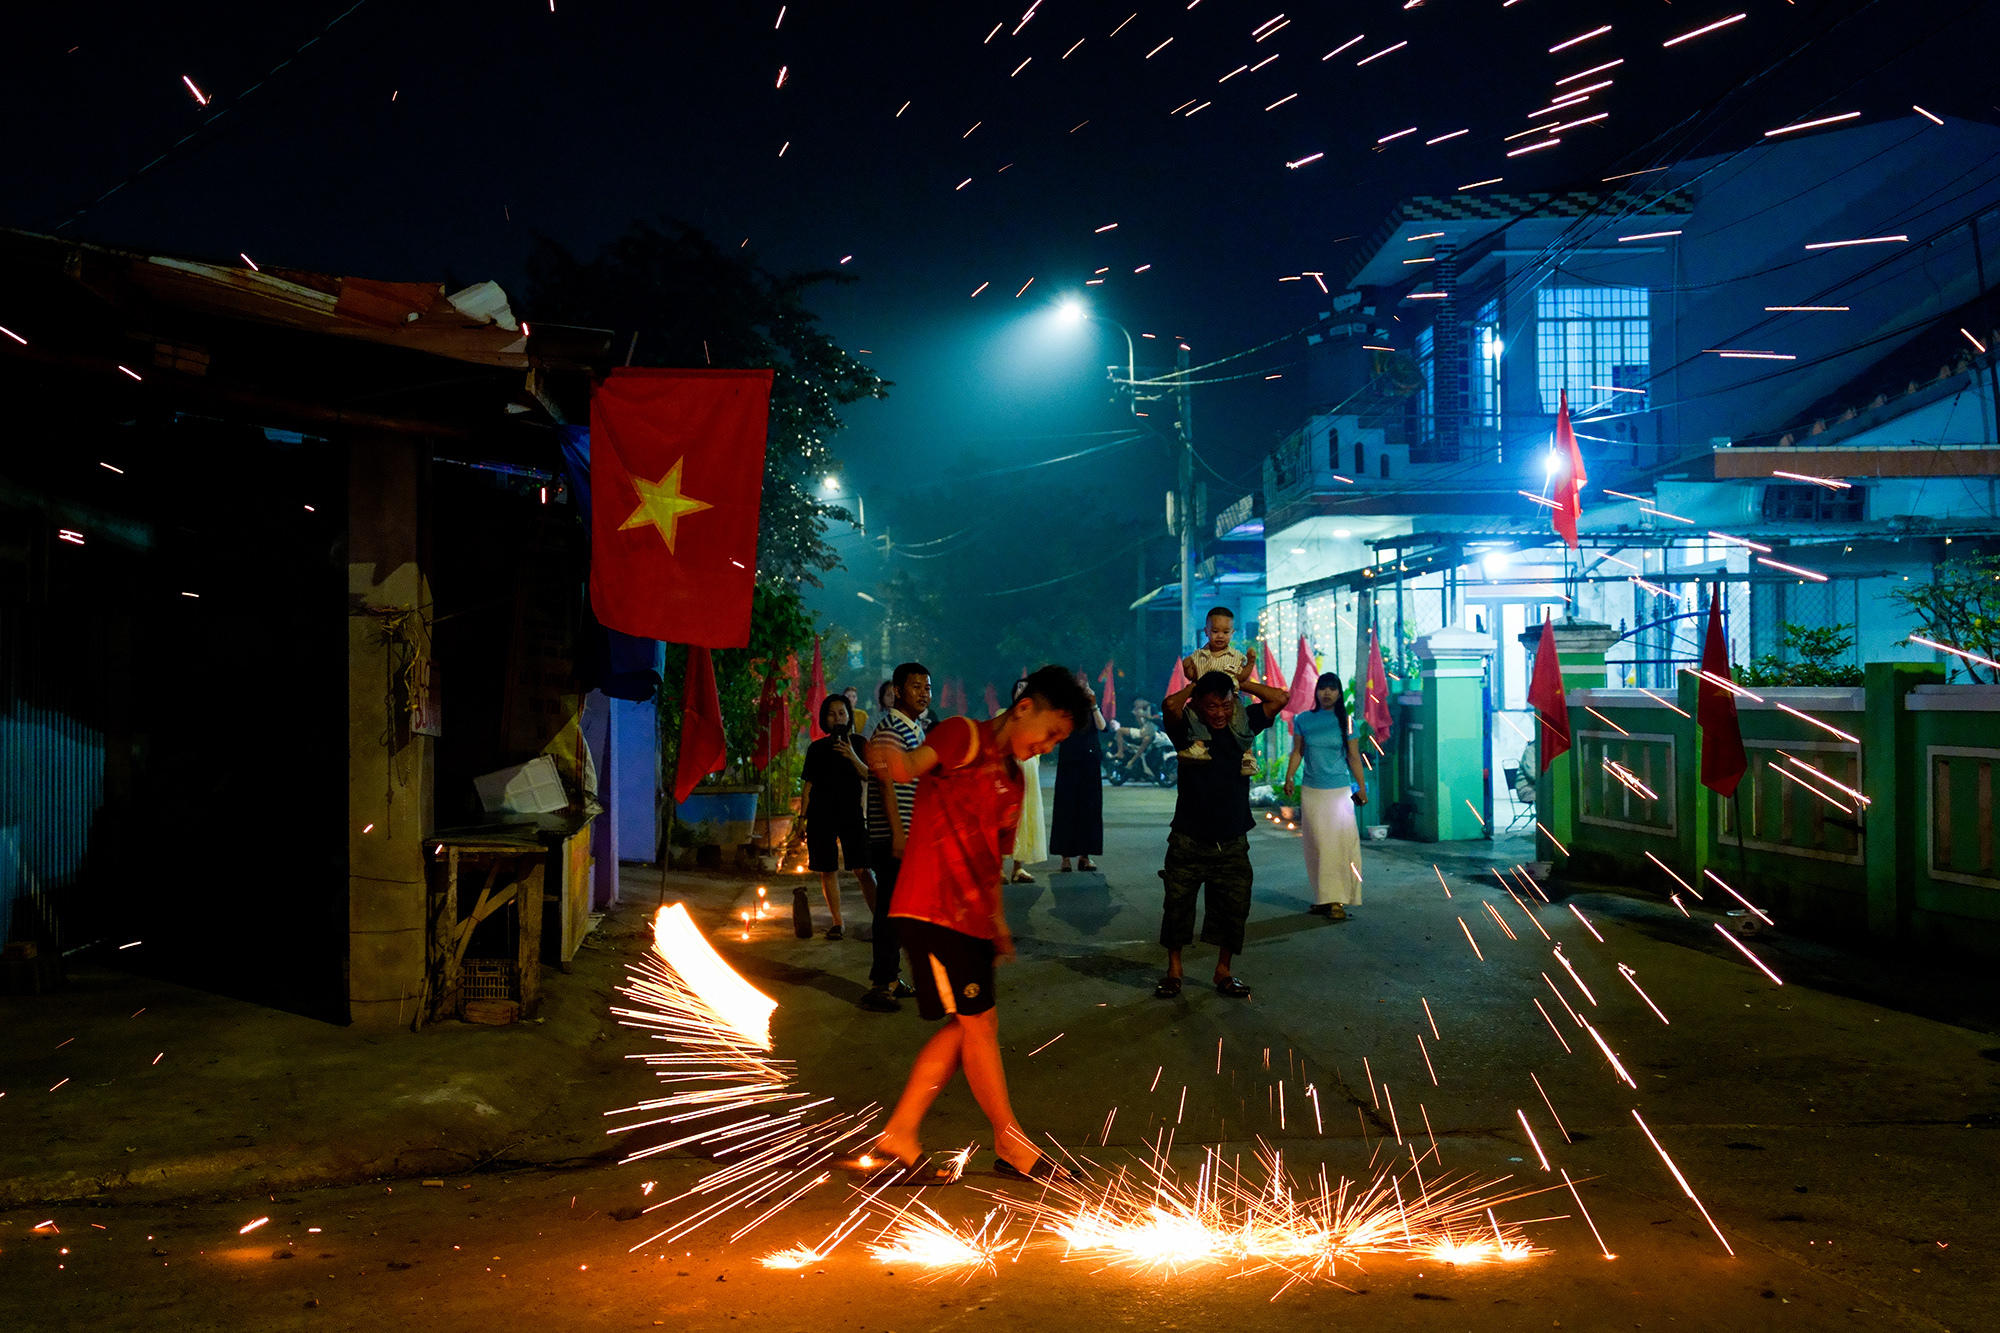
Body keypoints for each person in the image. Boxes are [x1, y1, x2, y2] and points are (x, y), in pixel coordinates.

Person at [834, 664, 1091, 1185]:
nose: (1046, 747)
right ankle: (1009, 1142)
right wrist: (886, 758)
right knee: (977, 1024)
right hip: (931, 907)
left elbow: (992, 859)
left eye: (1057, 742)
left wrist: (997, 923)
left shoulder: (1014, 781)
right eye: (1049, 734)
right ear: (1024, 708)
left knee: (971, 1026)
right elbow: (910, 766)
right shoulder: (961, 736)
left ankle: (901, 1136)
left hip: (970, 918)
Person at [1155, 664, 1290, 999]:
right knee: (1177, 907)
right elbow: (1170, 705)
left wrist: (1242, 682)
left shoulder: (1242, 724)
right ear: (1199, 705)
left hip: (1232, 838)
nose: (1219, 713)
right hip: (1188, 836)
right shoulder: (1187, 727)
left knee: (1234, 907)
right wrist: (1195, 685)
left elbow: (1280, 698)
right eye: (1212, 706)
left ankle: (1223, 971)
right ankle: (1174, 971)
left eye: (1226, 705)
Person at [859, 663, 931, 1012]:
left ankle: (890, 978)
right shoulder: (890, 730)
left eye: (927, 687)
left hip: (908, 836)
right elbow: (887, 787)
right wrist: (899, 836)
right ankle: (880, 984)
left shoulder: (915, 729)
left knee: (901, 910)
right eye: (916, 686)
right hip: (892, 838)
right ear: (898, 691)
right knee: (889, 911)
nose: (924, 693)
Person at [1282, 672, 1369, 920]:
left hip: (1339, 792)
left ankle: (1337, 900)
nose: (1327, 693)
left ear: (1339, 693)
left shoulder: (1347, 722)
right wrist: (1289, 777)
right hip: (1312, 791)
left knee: (1339, 846)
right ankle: (1323, 897)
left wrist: (1361, 788)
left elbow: (1354, 757)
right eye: (1323, 688)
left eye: (1332, 688)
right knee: (1316, 846)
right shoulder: (1303, 719)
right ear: (1316, 691)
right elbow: (1298, 751)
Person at [798, 694, 878, 939]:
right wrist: (801, 818)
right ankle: (837, 922)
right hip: (821, 815)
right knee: (827, 869)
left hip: (851, 813)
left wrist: (851, 754)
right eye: (832, 714)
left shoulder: (860, 743)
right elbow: (809, 785)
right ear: (825, 719)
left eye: (842, 713)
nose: (837, 718)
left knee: (863, 868)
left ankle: (880, 921)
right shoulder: (817, 748)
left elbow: (869, 775)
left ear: (849, 716)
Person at [1177, 607, 1257, 776]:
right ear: (1206, 631)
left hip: (1230, 699)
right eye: (1215, 631)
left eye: (1225, 632)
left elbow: (1241, 678)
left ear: (1232, 633)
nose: (1220, 636)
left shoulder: (1236, 656)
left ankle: (1248, 755)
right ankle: (1199, 746)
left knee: (1241, 721)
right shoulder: (1198, 656)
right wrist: (1187, 667)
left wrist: (1250, 664)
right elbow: (1192, 676)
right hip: (1203, 701)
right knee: (1191, 713)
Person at [1049, 671, 1108, 873]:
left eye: (1086, 685)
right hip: (1069, 763)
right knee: (1066, 807)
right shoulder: (1065, 708)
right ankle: (1065, 858)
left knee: (1089, 808)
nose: (1083, 689)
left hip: (1089, 763)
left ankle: (1085, 856)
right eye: (1079, 685)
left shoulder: (1092, 708)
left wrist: (1094, 705)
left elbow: (1102, 726)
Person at [1004, 679, 1049, 883]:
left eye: (1026, 688)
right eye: (1019, 687)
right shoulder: (1004, 716)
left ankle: (1018, 867)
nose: (1022, 690)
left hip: (1029, 770)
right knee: (1006, 818)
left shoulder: (1037, 719)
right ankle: (998, 868)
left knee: (1026, 816)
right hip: (1010, 770)